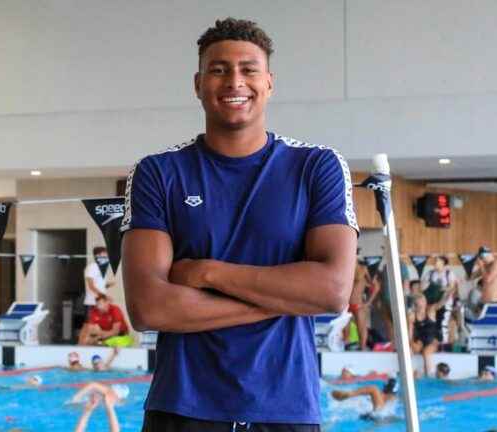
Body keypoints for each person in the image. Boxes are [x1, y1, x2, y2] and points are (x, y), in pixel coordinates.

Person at [121, 17, 358, 430]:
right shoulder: (158, 173)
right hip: (183, 407)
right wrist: (282, 299)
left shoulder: (317, 166)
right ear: (198, 84)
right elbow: (149, 307)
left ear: (269, 82)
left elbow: (332, 291)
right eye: (219, 70)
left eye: (248, 69)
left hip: (284, 408)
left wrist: (205, 271)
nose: (235, 82)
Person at [408, 292, 453, 377]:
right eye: (419, 303)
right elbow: (409, 334)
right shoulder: (412, 316)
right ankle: (411, 374)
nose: (422, 304)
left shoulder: (431, 310)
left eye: (423, 301)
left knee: (426, 352)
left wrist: (447, 295)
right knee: (409, 351)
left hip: (432, 341)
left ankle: (428, 376)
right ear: (415, 304)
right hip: (420, 340)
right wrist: (411, 344)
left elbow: (440, 304)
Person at [424, 256, 460, 346]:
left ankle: (444, 345)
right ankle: (432, 343)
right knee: (432, 323)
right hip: (432, 302)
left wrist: (441, 290)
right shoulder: (430, 273)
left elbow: (452, 288)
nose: (435, 263)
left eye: (437, 261)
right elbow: (423, 287)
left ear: (443, 263)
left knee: (442, 323)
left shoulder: (449, 273)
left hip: (445, 302)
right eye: (435, 261)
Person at [377, 258, 411, 344]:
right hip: (386, 299)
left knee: (401, 323)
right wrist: (380, 299)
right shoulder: (385, 266)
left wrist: (403, 299)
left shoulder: (401, 265)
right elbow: (382, 284)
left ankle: (405, 344)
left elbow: (406, 283)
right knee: (388, 322)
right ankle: (392, 344)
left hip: (397, 299)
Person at [348, 261, 378, 350]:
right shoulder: (347, 267)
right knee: (345, 331)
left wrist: (368, 302)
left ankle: (362, 349)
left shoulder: (363, 269)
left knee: (361, 329)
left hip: (358, 304)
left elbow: (376, 287)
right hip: (346, 304)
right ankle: (347, 349)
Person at [331, 378, 398, 414]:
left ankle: (350, 394)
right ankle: (349, 394)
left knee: (373, 389)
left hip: (376, 415)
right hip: (380, 418)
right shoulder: (393, 399)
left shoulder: (386, 397)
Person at [83, 247, 115, 318]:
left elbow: (100, 285)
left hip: (101, 303)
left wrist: (108, 285)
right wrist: (105, 297)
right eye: (104, 254)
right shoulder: (92, 267)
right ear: (97, 256)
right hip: (92, 303)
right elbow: (91, 286)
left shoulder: (101, 268)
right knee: (92, 326)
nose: (106, 256)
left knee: (100, 327)